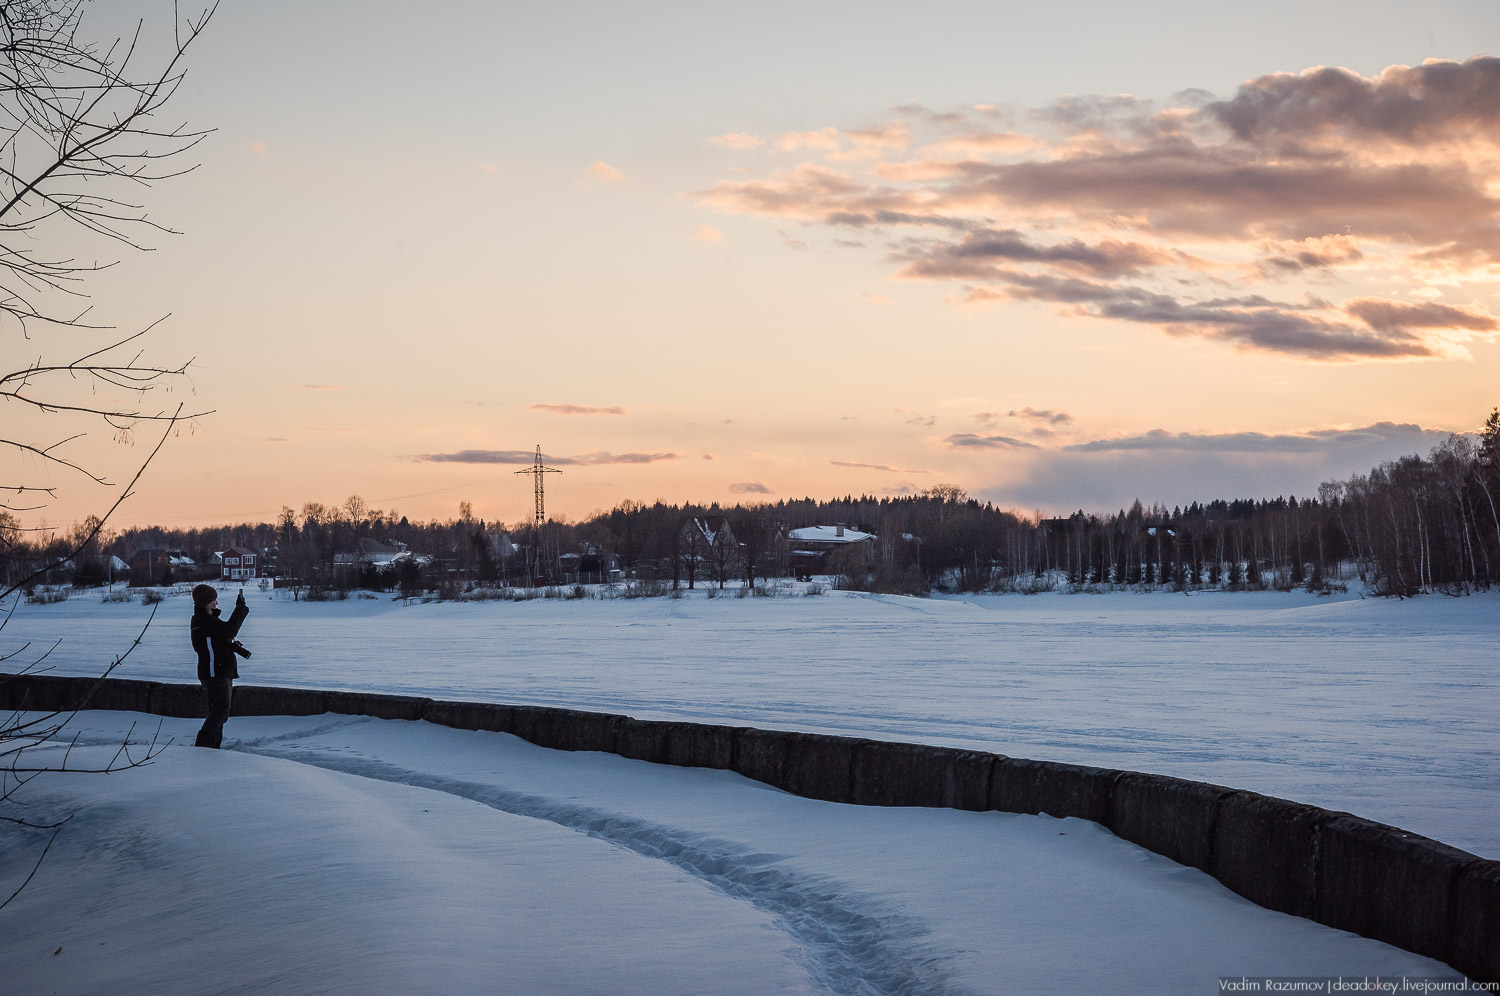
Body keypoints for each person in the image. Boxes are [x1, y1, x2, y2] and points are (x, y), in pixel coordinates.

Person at [191, 584, 249, 749]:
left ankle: (212, 749)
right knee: (220, 711)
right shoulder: (203, 620)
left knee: (219, 711)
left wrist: (231, 646)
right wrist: (240, 608)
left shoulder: (208, 621)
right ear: (205, 602)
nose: (216, 603)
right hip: (214, 672)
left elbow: (220, 637)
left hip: (220, 670)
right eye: (213, 600)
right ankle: (202, 747)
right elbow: (230, 630)